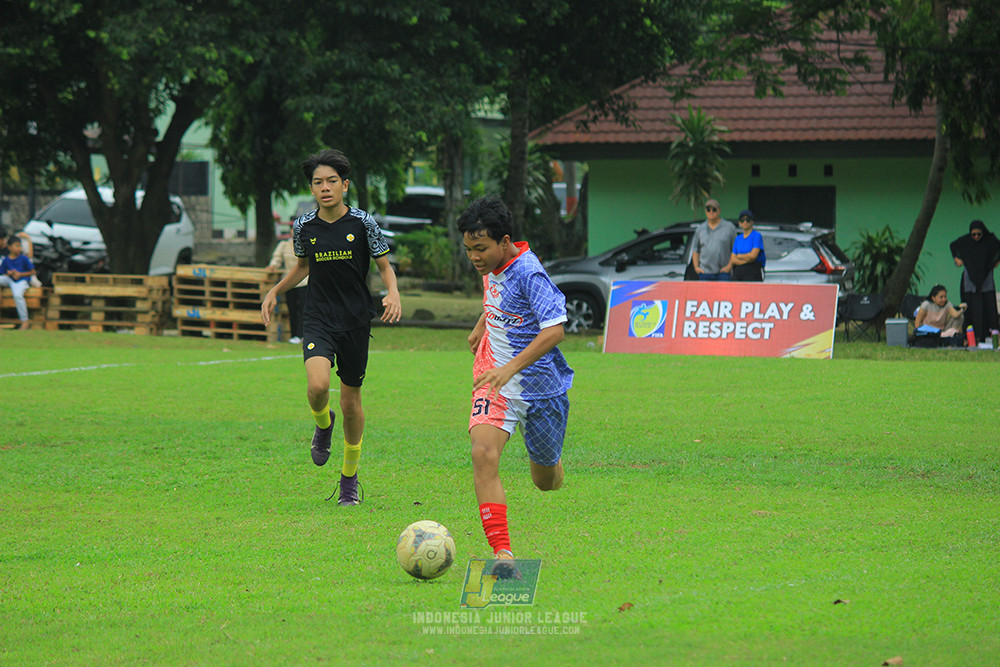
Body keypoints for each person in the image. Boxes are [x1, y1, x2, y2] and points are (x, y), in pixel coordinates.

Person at [261, 148, 402, 506]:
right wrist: (275, 290)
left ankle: (349, 479)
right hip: (318, 316)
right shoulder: (303, 227)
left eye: (332, 181)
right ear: (311, 188)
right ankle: (324, 424)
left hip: (355, 320)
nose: (325, 188)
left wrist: (393, 292)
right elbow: (302, 267)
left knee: (352, 402)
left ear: (345, 185)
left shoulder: (363, 223)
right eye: (318, 182)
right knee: (318, 385)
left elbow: (384, 265)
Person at [459, 195, 574, 577]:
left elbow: (555, 330)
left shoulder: (529, 272)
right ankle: (503, 553)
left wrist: (510, 368)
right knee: (483, 453)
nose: (474, 257)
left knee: (546, 481)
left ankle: (553, 463)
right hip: (493, 378)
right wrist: (483, 325)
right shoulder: (490, 264)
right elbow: (495, 295)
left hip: (539, 389)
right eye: (469, 249)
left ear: (504, 241)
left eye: (480, 248)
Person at [950, 220, 1000, 343]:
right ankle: (971, 338)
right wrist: (957, 258)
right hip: (970, 280)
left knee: (989, 306)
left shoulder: (990, 240)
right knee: (971, 307)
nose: (976, 237)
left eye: (979, 234)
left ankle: (990, 336)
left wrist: (996, 261)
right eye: (974, 234)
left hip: (986, 278)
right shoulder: (966, 241)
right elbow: (953, 245)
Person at [266, 235, 307, 344]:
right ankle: (295, 335)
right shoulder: (284, 245)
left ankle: (303, 334)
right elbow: (277, 258)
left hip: (305, 282)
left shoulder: (307, 241)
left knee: (304, 309)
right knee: (292, 309)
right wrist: (273, 266)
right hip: (289, 282)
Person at [691, 199, 737, 281]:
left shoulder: (729, 227)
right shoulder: (700, 229)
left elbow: (735, 249)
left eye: (714, 209)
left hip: (723, 273)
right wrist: (696, 267)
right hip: (704, 273)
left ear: (719, 211)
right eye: (708, 209)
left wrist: (730, 266)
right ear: (705, 211)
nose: (711, 212)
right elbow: (696, 250)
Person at [0, 235, 36, 330]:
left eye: (20, 246)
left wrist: (20, 274)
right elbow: (2, 272)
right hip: (10, 279)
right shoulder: (6, 259)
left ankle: (25, 321)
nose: (19, 248)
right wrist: (9, 273)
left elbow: (32, 272)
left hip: (21, 281)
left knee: (17, 296)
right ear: (9, 247)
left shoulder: (23, 258)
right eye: (16, 246)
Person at [729, 209, 766, 282]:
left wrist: (739, 256)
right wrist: (747, 259)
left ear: (752, 221)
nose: (745, 222)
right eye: (742, 220)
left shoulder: (756, 236)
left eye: (747, 219)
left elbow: (753, 256)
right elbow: (733, 259)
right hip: (738, 272)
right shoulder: (738, 238)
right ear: (739, 223)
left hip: (753, 271)